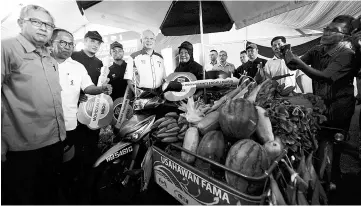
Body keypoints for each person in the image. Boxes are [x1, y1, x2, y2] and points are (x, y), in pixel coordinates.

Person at [284, 15, 359, 205]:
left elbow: (325, 76)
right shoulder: (317, 49)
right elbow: (293, 64)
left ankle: (334, 178)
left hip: (340, 107)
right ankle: (321, 178)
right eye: (326, 28)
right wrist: (287, 54)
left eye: (333, 30)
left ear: (344, 36)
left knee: (336, 141)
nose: (326, 32)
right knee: (320, 140)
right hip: (321, 105)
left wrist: (299, 63)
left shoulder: (346, 54)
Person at [1, 5, 65, 204]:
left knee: (48, 193)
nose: (44, 28)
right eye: (36, 22)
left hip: (55, 140)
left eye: (48, 24)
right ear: (21, 23)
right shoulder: (6, 48)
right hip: (23, 147)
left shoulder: (49, 56)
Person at [50, 28, 112, 203]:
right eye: (62, 42)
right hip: (43, 128)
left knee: (69, 163)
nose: (67, 46)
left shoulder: (78, 66)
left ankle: (69, 194)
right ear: (51, 42)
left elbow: (88, 86)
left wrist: (100, 89)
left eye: (70, 43)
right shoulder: (42, 63)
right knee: (47, 167)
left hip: (70, 124)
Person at [70, 30, 104, 204]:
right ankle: (75, 174)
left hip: (93, 108)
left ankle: (91, 171)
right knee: (77, 141)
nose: (95, 45)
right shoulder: (74, 56)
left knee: (92, 140)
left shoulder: (99, 62)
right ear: (85, 41)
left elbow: (96, 85)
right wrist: (77, 96)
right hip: (74, 109)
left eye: (98, 42)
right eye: (92, 41)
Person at [124, 29, 166, 94]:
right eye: (146, 38)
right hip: (142, 92)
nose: (149, 40)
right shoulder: (133, 57)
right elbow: (129, 79)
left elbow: (164, 77)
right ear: (141, 41)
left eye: (151, 38)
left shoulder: (160, 57)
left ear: (155, 41)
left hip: (159, 92)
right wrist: (135, 91)